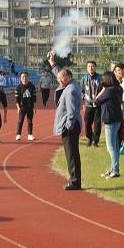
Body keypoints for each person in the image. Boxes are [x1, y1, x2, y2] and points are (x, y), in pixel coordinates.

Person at [48, 52, 83, 190]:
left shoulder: (72, 90)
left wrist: (67, 127)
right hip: (69, 126)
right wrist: (52, 63)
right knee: (71, 153)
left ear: (69, 77)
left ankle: (75, 181)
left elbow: (72, 112)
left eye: (62, 78)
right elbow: (60, 74)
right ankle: (74, 179)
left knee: (72, 154)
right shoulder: (68, 84)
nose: (60, 81)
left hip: (70, 127)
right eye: (58, 79)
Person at [94, 71, 123, 179]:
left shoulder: (109, 91)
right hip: (116, 119)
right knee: (115, 146)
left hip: (110, 120)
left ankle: (115, 170)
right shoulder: (117, 89)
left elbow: (96, 101)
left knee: (111, 147)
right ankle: (113, 168)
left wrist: (102, 90)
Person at [80, 61, 101, 147]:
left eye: (92, 66)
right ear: (87, 68)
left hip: (98, 105)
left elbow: (104, 88)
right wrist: (84, 97)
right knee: (87, 123)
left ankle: (95, 141)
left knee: (97, 123)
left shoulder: (100, 77)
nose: (90, 68)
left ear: (95, 67)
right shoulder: (84, 78)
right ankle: (90, 137)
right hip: (88, 104)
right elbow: (81, 90)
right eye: (89, 66)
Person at [15, 71, 37, 141]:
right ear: (21, 78)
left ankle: (30, 134)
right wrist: (18, 108)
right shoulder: (18, 87)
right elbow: (17, 99)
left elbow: (34, 98)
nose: (24, 78)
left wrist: (34, 107)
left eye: (26, 76)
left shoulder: (32, 86)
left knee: (30, 121)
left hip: (30, 106)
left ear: (28, 77)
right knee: (20, 121)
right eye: (23, 77)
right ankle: (18, 134)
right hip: (22, 107)